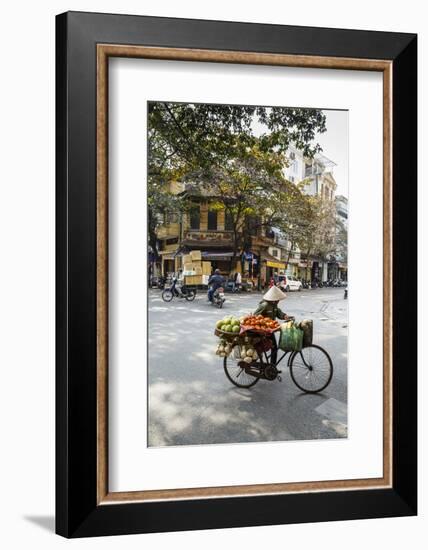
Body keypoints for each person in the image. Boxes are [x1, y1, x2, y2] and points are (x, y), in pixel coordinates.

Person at [253, 285, 293, 365]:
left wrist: (285, 316)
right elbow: (255, 316)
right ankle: (266, 365)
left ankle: (272, 366)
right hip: (263, 331)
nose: (279, 300)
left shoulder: (274, 305)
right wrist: (263, 322)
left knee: (273, 347)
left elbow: (278, 312)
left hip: (270, 330)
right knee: (267, 348)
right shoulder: (264, 305)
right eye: (277, 299)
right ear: (273, 298)